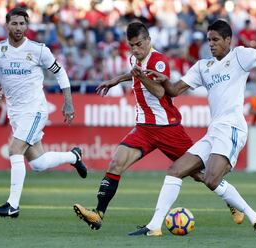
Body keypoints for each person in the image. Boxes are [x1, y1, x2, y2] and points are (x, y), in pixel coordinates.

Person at [128, 20, 256, 237]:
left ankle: (253, 216)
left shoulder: (239, 56)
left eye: (215, 40)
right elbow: (175, 90)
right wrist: (165, 80)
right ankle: (154, 226)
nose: (211, 44)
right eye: (208, 40)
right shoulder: (202, 66)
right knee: (175, 170)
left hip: (233, 127)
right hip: (214, 130)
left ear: (228, 40)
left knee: (211, 179)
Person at [72, 21, 244, 232]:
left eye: (138, 44)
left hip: (167, 128)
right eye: (131, 45)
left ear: (148, 41)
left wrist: (141, 76)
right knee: (116, 163)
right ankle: (98, 214)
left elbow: (161, 92)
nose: (135, 49)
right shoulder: (134, 58)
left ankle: (232, 202)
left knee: (199, 174)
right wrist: (117, 79)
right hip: (143, 128)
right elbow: (135, 71)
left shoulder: (159, 60)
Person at [0, 7, 87, 218]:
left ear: (27, 26)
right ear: (7, 25)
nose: (19, 28)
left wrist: (68, 102)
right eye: (15, 23)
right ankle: (73, 156)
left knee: (14, 149)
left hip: (35, 109)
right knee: (38, 163)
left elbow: (60, 73)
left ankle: (13, 205)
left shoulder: (39, 50)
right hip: (16, 113)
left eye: (22, 24)